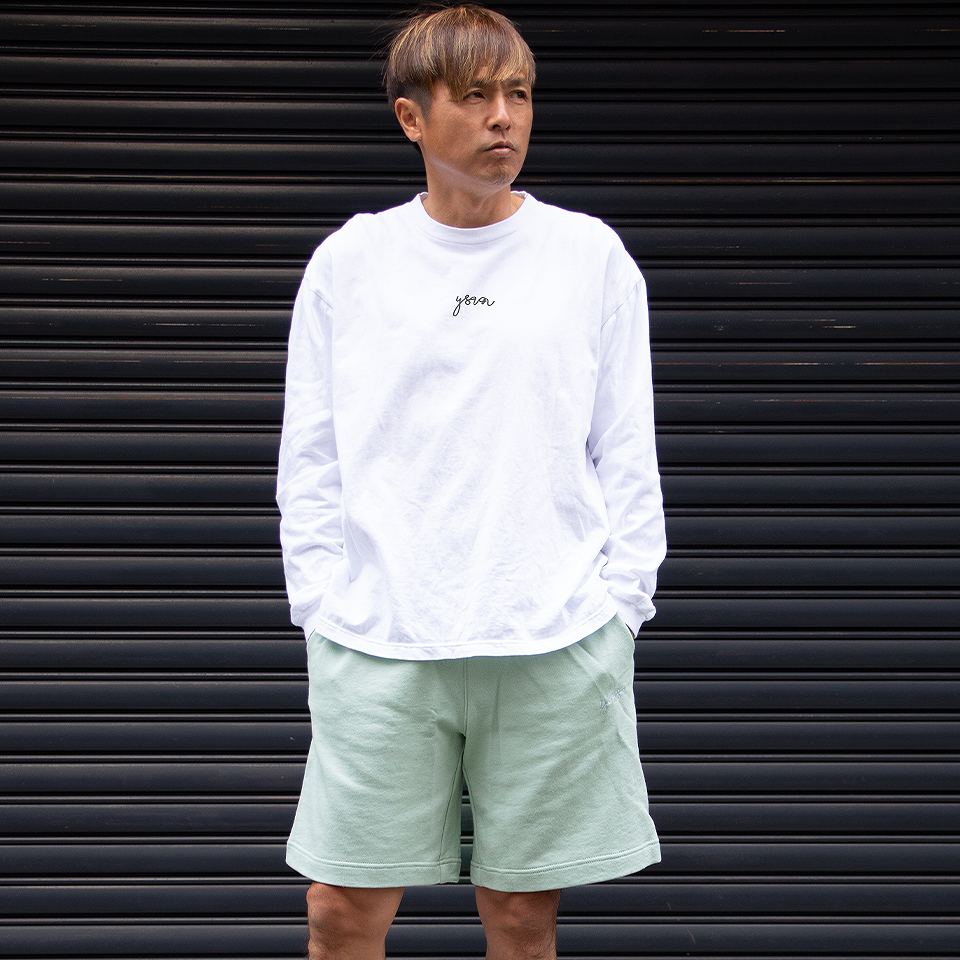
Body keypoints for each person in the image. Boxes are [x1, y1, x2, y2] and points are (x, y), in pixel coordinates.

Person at [274, 3, 667, 958]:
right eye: (477, 95)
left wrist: (623, 605)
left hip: (551, 636)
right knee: (340, 910)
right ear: (412, 116)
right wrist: (320, 602)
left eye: (520, 94)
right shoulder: (352, 261)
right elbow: (311, 455)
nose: (504, 118)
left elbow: (626, 446)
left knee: (523, 917)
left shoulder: (588, 256)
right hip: (379, 636)